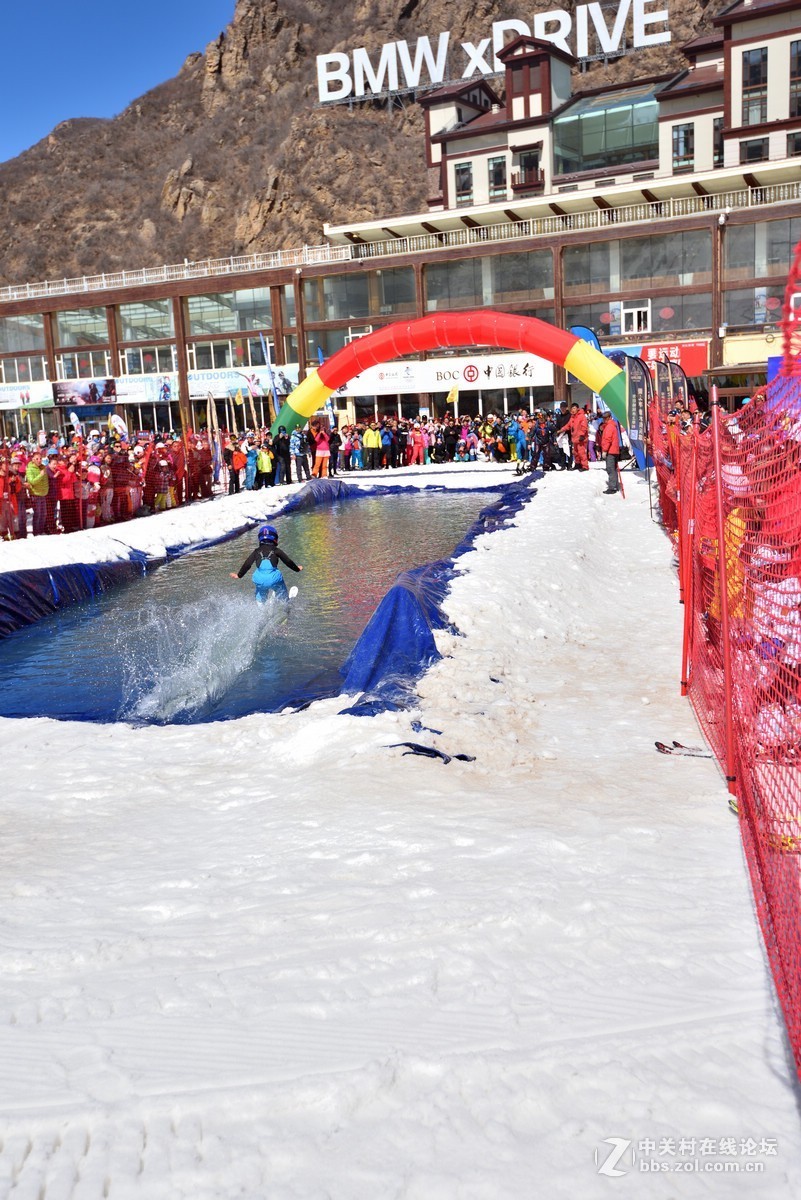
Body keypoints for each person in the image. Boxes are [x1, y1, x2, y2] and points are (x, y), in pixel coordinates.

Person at [230, 523, 302, 603]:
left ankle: (261, 604)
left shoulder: (256, 551)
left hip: (259, 579)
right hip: (274, 579)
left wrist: (239, 575)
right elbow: (288, 561)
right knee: (281, 588)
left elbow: (247, 564)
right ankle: (285, 601)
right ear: (275, 538)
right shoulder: (276, 550)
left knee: (260, 592)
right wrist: (297, 569)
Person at [598, 410, 621, 494]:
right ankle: (614, 485)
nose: (604, 420)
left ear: (609, 418)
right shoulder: (611, 425)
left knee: (610, 469)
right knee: (613, 469)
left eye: (605, 418)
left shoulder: (609, 427)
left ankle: (612, 487)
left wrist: (604, 450)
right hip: (614, 450)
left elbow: (607, 440)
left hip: (610, 451)